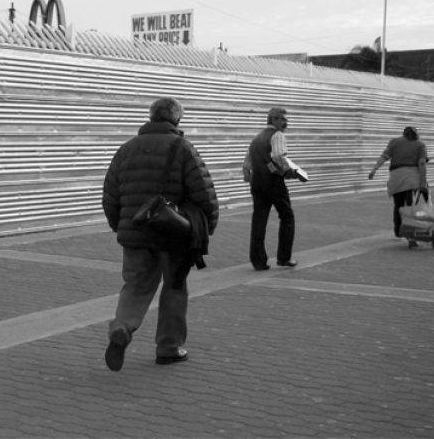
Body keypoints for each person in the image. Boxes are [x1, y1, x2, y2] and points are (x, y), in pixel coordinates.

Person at [102, 97, 218, 371]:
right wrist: (204, 229)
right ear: (176, 119)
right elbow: (204, 193)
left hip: (136, 232)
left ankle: (121, 328)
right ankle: (168, 347)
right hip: (173, 234)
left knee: (135, 286)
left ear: (151, 117)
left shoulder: (126, 149)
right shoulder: (183, 148)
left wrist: (120, 226)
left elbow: (110, 194)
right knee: (174, 289)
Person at [243, 107, 298, 271]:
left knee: (259, 220)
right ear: (273, 120)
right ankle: (284, 258)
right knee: (287, 216)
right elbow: (278, 156)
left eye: (285, 119)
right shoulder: (278, 135)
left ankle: (258, 261)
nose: (285, 122)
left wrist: (249, 177)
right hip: (273, 182)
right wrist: (289, 170)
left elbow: (247, 163)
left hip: (257, 182)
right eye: (282, 119)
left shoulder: (257, 137)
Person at [368, 126, 428, 246]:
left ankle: (399, 231)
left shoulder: (394, 142)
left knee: (398, 205)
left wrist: (374, 170)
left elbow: (384, 157)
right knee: (411, 207)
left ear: (403, 134)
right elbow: (421, 163)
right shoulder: (420, 145)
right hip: (412, 181)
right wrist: (423, 182)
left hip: (396, 180)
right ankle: (411, 236)